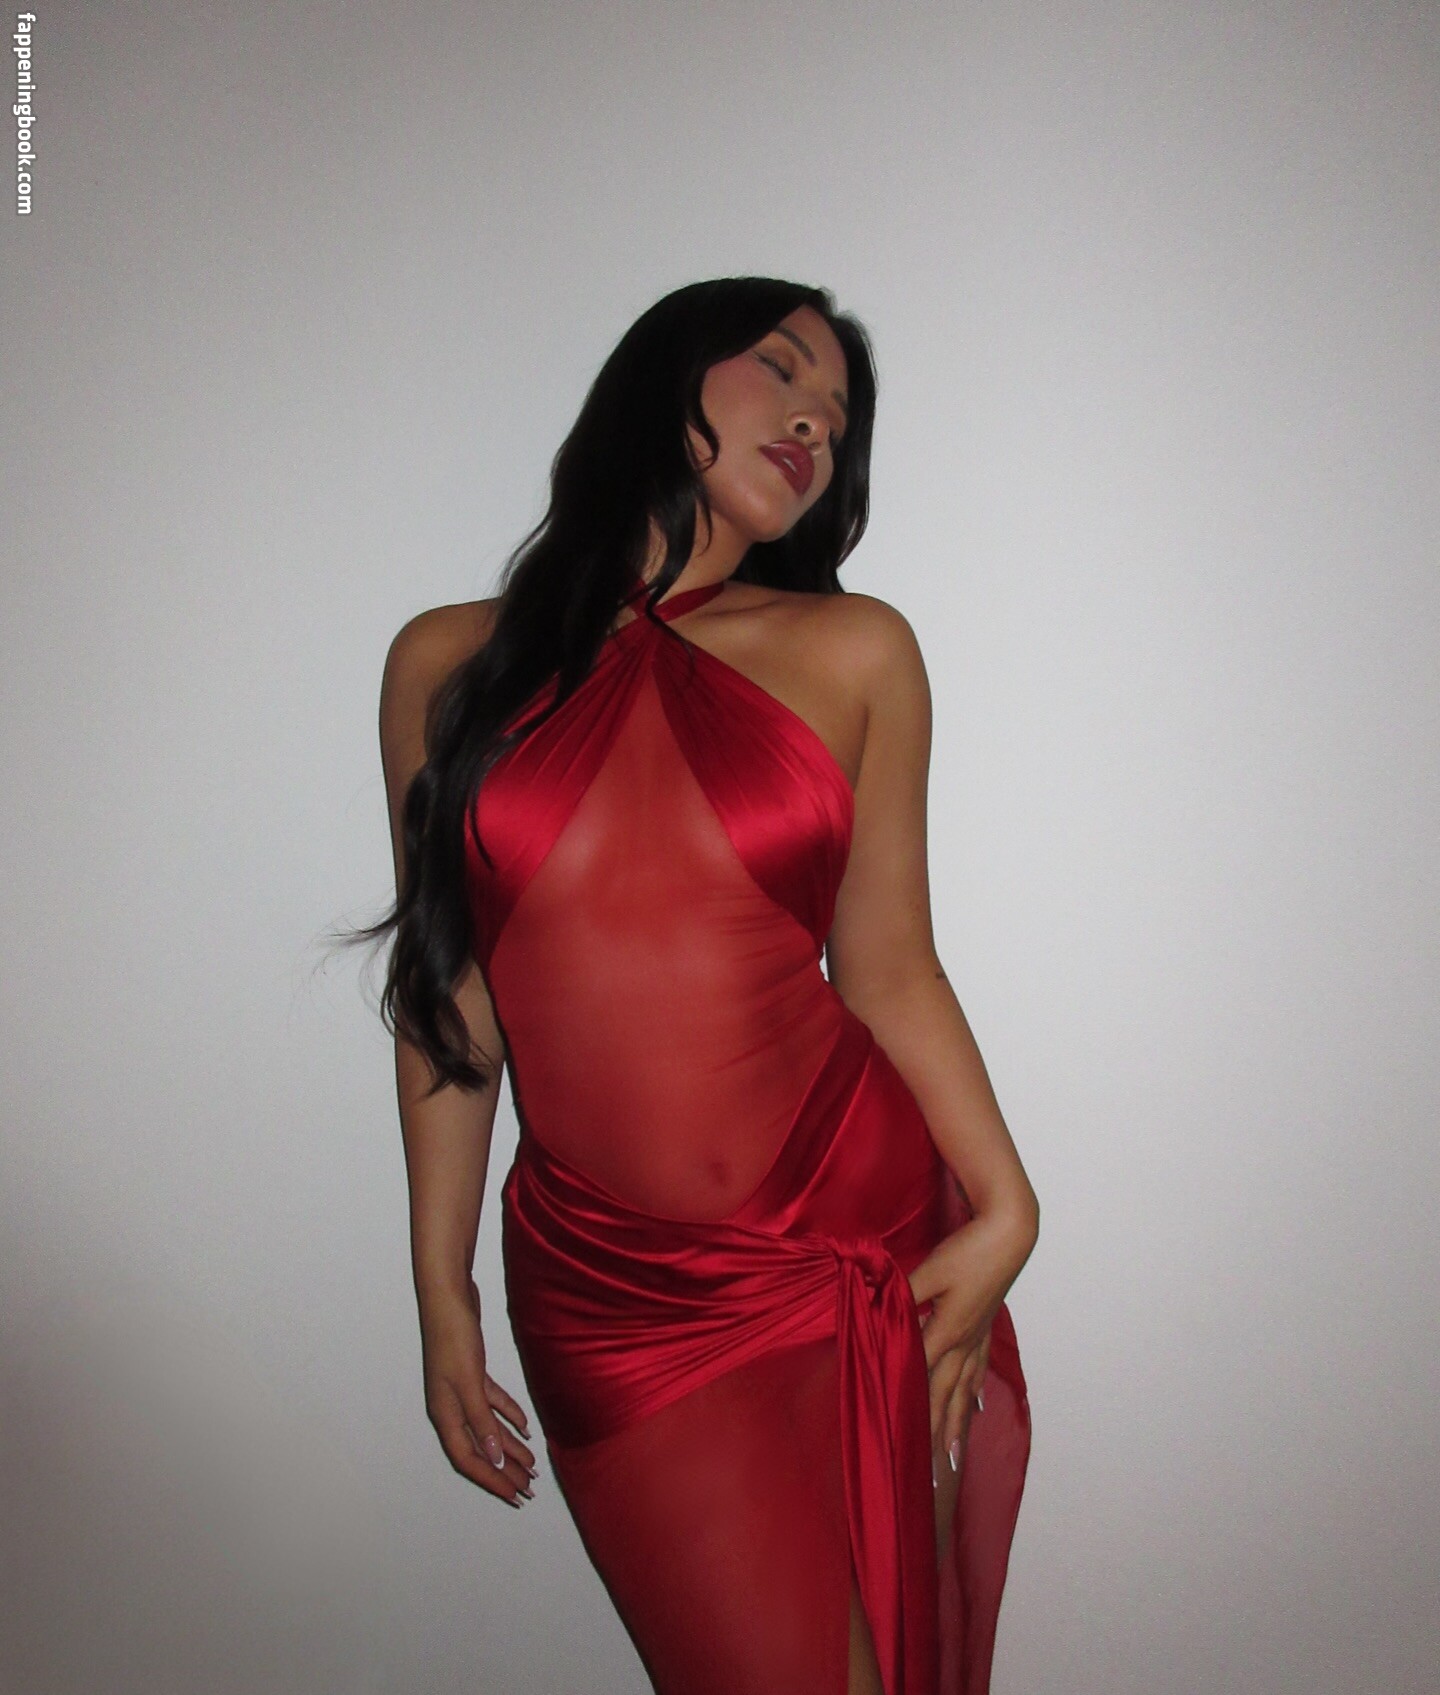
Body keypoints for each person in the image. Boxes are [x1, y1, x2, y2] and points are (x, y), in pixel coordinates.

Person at [367, 276, 1038, 1695]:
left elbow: (890, 967)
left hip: (855, 1237)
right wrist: (441, 1289)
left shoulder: (856, 650)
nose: (815, 420)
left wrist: (1009, 1208)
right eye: (782, 370)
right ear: (663, 378)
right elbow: (451, 1003)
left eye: (839, 415)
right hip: (614, 1289)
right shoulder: (445, 663)